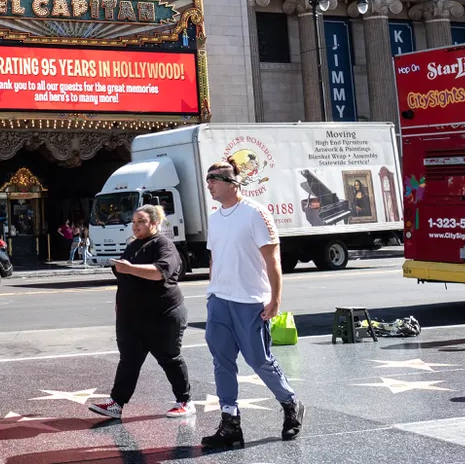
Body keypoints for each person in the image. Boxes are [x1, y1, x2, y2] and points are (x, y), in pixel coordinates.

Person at [200, 161, 304, 450]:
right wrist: (212, 292)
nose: (209, 184)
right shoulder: (215, 217)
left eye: (213, 179)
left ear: (232, 183)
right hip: (219, 300)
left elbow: (273, 260)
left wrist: (275, 299)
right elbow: (214, 259)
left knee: (259, 360)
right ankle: (230, 423)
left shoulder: (255, 213)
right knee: (222, 362)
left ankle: (290, 403)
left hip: (249, 302)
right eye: (207, 179)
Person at [87, 205, 191, 421]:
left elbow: (160, 272)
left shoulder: (164, 245)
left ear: (154, 223)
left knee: (169, 358)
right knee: (129, 360)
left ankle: (185, 401)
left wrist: (129, 268)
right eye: (133, 221)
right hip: (131, 317)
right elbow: (124, 279)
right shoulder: (133, 245)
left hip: (163, 315)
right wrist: (119, 305)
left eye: (141, 221)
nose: (135, 226)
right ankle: (116, 404)